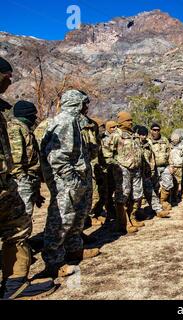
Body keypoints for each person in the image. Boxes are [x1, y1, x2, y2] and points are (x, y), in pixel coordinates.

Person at [0, 57, 56, 299]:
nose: (10, 80)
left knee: (18, 227)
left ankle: (14, 284)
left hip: (10, 183)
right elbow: (17, 161)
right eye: (6, 75)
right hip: (11, 183)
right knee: (17, 227)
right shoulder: (18, 129)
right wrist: (20, 183)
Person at [39, 89, 100, 279]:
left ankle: (74, 249)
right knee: (61, 219)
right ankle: (53, 262)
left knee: (77, 215)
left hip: (77, 178)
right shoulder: (65, 121)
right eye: (84, 103)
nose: (86, 107)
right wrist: (71, 179)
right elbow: (56, 156)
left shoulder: (74, 121)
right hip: (67, 181)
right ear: (77, 104)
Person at [7, 101, 45, 217]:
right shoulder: (15, 129)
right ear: (26, 115)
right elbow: (15, 161)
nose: (35, 117)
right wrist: (24, 182)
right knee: (23, 217)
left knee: (27, 215)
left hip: (30, 179)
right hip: (22, 180)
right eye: (32, 115)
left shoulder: (26, 130)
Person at [108, 112, 143, 233]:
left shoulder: (133, 134)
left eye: (131, 120)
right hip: (123, 169)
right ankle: (123, 223)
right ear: (121, 122)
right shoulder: (116, 135)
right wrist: (115, 165)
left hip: (136, 169)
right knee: (123, 195)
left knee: (137, 194)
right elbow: (107, 152)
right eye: (128, 120)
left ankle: (133, 217)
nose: (131, 122)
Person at [135, 125, 170, 218]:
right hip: (134, 174)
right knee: (136, 195)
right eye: (141, 134)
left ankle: (158, 210)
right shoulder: (133, 144)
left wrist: (152, 171)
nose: (143, 136)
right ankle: (135, 213)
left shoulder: (147, 145)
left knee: (151, 192)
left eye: (145, 135)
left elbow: (151, 159)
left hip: (146, 173)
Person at [149, 122, 173, 211]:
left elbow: (170, 153)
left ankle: (163, 201)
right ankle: (155, 204)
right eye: (154, 130)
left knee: (168, 184)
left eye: (158, 130)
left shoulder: (165, 140)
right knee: (155, 186)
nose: (156, 132)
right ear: (151, 130)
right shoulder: (148, 141)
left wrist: (171, 165)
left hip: (165, 166)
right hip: (153, 168)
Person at [102, 120, 118, 221]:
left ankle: (114, 211)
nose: (114, 129)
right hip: (107, 167)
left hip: (115, 166)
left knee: (115, 189)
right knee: (107, 191)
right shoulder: (104, 138)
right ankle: (109, 211)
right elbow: (106, 154)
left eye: (115, 127)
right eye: (112, 127)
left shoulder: (117, 136)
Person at [169, 132, 183, 204]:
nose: (175, 140)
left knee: (177, 183)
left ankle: (175, 197)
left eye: (176, 139)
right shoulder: (168, 147)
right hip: (172, 166)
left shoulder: (181, 147)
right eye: (174, 139)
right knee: (171, 183)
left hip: (179, 166)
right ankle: (170, 198)